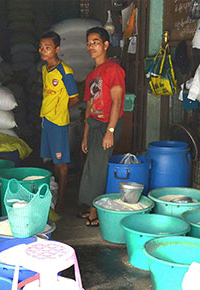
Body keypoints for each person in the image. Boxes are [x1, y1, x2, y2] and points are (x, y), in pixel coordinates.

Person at [77, 27, 125, 227]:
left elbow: (117, 101)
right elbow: (89, 107)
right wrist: (85, 136)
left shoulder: (113, 70)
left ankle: (95, 213)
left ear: (105, 45)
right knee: (91, 167)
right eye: (88, 43)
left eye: (95, 42)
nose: (90, 47)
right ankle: (91, 206)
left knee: (97, 169)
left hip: (108, 124)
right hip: (95, 125)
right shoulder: (92, 75)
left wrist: (110, 131)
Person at [39, 31, 79, 214]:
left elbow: (74, 98)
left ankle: (62, 201)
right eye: (41, 47)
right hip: (46, 120)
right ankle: (54, 198)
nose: (43, 51)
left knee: (61, 163)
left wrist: (60, 109)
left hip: (59, 122)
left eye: (47, 47)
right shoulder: (45, 69)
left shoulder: (65, 71)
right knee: (53, 161)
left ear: (57, 49)